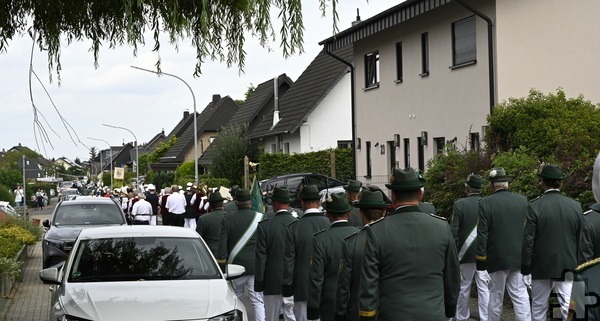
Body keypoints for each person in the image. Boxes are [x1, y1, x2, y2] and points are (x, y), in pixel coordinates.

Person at [358, 167, 460, 320]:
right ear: (420, 194)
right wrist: (450, 309)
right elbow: (452, 276)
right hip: (433, 315)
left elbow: (369, 284)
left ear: (393, 195)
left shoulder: (377, 231)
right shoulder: (442, 227)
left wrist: (368, 317)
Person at [522, 164, 583, 321]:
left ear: (542, 182)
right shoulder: (575, 206)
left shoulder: (534, 206)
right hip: (567, 263)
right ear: (560, 183)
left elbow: (528, 240)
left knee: (538, 307)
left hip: (541, 265)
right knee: (568, 307)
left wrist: (526, 268)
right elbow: (579, 238)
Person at [476, 167, 531, 321]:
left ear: (493, 185)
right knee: (520, 295)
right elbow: (527, 231)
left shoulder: (485, 203)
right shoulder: (522, 200)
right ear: (507, 184)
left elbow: (482, 234)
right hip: (518, 256)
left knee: (495, 297)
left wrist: (481, 263)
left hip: (497, 257)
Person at [335, 190, 388, 321]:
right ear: (384, 212)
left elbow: (344, 287)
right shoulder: (395, 239)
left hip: (358, 312)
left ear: (360, 213)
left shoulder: (351, 242)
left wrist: (340, 314)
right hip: (389, 311)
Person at [282, 185, 330, 321]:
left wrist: (287, 291)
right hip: (327, 287)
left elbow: (288, 261)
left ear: (302, 203)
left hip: (302, 288)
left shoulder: (294, 228)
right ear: (319, 201)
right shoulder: (329, 224)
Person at [217, 188, 265, 321]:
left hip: (235, 268)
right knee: (257, 301)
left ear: (236, 202)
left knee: (234, 300)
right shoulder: (260, 217)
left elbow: (222, 245)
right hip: (255, 266)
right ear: (250, 202)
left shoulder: (227, 219)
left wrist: (222, 265)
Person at [255, 186, 298, 321]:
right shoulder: (298, 224)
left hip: (272, 281)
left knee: (271, 318)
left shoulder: (265, 226)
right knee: (291, 317)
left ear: (274, 203)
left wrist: (259, 282)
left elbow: (261, 257)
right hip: (293, 280)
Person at [451, 173, 490, 321]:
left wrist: (453, 253)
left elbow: (453, 231)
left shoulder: (459, 204)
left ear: (467, 188)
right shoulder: (489, 202)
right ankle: (486, 318)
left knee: (463, 288)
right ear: (481, 188)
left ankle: (462, 317)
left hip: (464, 254)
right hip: (485, 254)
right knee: (484, 288)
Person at [196, 191, 228, 256]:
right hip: (227, 251)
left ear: (210, 205)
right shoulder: (229, 216)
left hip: (209, 253)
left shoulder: (203, 219)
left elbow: (199, 238)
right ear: (222, 204)